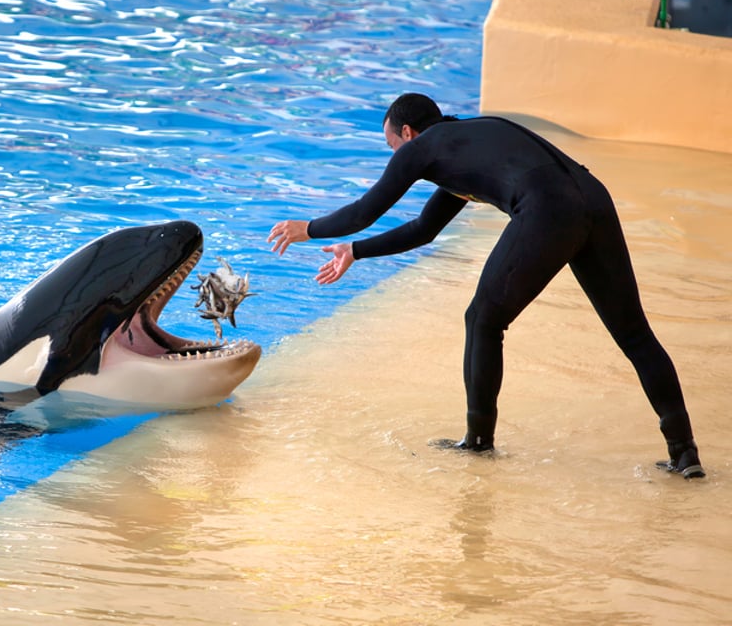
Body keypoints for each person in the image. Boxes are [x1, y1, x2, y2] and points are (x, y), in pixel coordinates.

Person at [267, 93, 705, 479]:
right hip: (592, 196)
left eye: (392, 146)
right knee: (632, 332)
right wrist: (356, 252)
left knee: (482, 319)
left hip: (548, 208)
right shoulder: (466, 145)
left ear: (407, 131)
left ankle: (478, 441)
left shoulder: (422, 146)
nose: (395, 156)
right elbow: (424, 229)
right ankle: (684, 453)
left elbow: (365, 209)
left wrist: (310, 228)